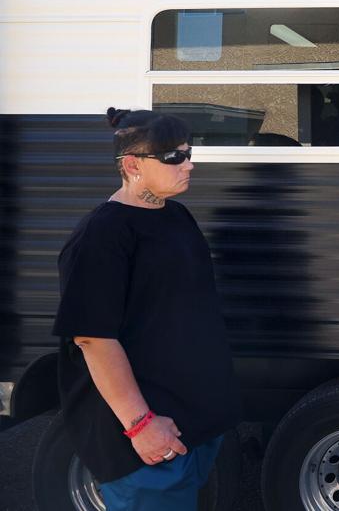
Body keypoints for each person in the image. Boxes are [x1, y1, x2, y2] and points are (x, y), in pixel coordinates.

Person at [52, 108, 240, 510]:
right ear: (133, 165)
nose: (188, 164)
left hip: (192, 425)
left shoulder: (177, 217)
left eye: (189, 153)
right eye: (174, 157)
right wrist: (140, 425)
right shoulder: (102, 235)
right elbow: (93, 338)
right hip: (146, 439)